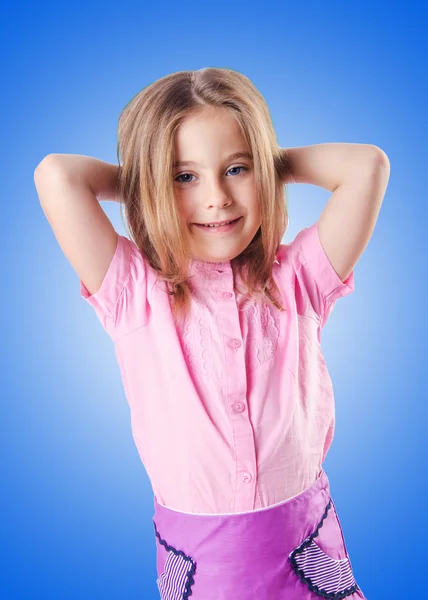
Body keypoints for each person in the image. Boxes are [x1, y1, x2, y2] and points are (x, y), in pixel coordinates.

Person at [34, 67, 389, 599]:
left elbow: (367, 166)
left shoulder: (299, 279)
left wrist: (270, 165)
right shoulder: (133, 290)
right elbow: (57, 175)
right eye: (185, 177)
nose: (217, 197)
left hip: (307, 551)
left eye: (236, 169)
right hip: (203, 566)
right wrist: (145, 180)